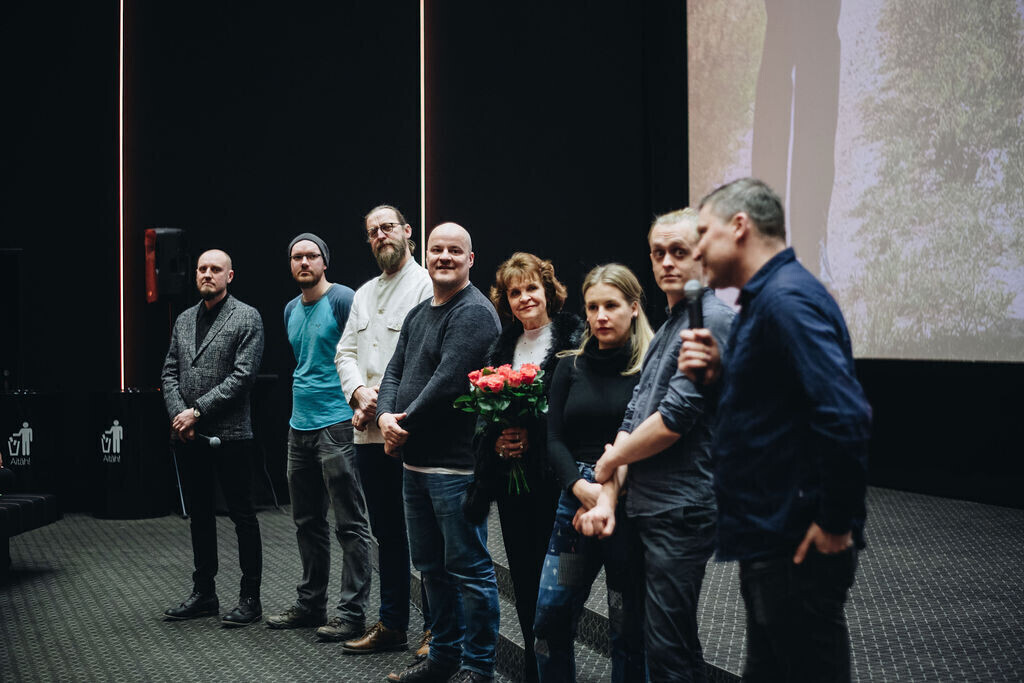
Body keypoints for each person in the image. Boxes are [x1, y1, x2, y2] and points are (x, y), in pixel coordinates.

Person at [679, 178, 871, 682]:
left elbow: (844, 414)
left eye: (704, 232)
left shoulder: (786, 301)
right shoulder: (768, 300)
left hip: (796, 541)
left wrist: (835, 523)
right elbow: (772, 413)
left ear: (740, 226)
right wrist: (719, 377)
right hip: (771, 536)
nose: (697, 250)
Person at [580, 209, 734, 682]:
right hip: (651, 506)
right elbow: (633, 418)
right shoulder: (669, 326)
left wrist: (611, 459)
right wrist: (608, 497)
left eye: (678, 252)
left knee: (671, 651)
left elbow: (674, 419)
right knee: (661, 643)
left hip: (680, 508)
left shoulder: (711, 320)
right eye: (658, 252)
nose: (667, 261)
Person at [377, 223, 501, 683]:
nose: (444, 256)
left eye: (454, 250)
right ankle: (444, 659)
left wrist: (401, 425)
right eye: (436, 249)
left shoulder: (474, 312)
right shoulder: (419, 314)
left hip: (455, 468)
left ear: (471, 259)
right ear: (425, 255)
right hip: (416, 465)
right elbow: (393, 371)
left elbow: (448, 383)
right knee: (430, 568)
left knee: (468, 569)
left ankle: (478, 666)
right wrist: (384, 417)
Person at [463, 252, 581, 683]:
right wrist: (498, 441)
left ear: (548, 291)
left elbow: (578, 413)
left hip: (559, 483)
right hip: (515, 485)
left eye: (532, 288)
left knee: (561, 585)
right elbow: (485, 418)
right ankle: (534, 669)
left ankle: (558, 669)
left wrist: (535, 434)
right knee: (526, 581)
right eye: (515, 292)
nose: (525, 298)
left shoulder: (574, 342)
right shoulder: (501, 347)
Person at [533, 264, 653, 683]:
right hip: (575, 509)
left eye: (611, 306)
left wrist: (605, 492)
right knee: (550, 618)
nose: (601, 316)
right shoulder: (570, 367)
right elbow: (554, 439)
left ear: (633, 308)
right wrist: (580, 486)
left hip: (630, 508)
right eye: (593, 307)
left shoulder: (649, 369)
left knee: (628, 625)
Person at [334, 205, 434, 656]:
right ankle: (393, 624)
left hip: (407, 430)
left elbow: (420, 356)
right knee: (388, 535)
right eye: (373, 231)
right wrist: (359, 394)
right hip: (368, 433)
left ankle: (436, 629)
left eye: (387, 227)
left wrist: (379, 402)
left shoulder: (425, 285)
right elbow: (345, 353)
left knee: (426, 537)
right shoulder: (363, 293)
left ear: (407, 232)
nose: (380, 235)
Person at [265, 233, 375, 643]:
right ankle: (311, 604)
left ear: (324, 262)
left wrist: (360, 405)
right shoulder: (290, 309)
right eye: (297, 257)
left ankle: (352, 614)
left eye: (311, 256)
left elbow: (361, 354)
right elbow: (304, 363)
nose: (304, 262)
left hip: (338, 425)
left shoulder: (343, 299)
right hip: (299, 426)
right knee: (307, 522)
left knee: (350, 523)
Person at [160, 249, 265, 627]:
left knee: (243, 517)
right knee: (200, 516)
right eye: (202, 269)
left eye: (215, 269)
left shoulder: (246, 316)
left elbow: (243, 377)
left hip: (231, 435)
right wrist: (180, 417)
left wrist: (196, 411)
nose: (207, 274)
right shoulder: (184, 319)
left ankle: (250, 598)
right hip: (189, 436)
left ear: (229, 276)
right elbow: (169, 372)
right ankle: (204, 593)